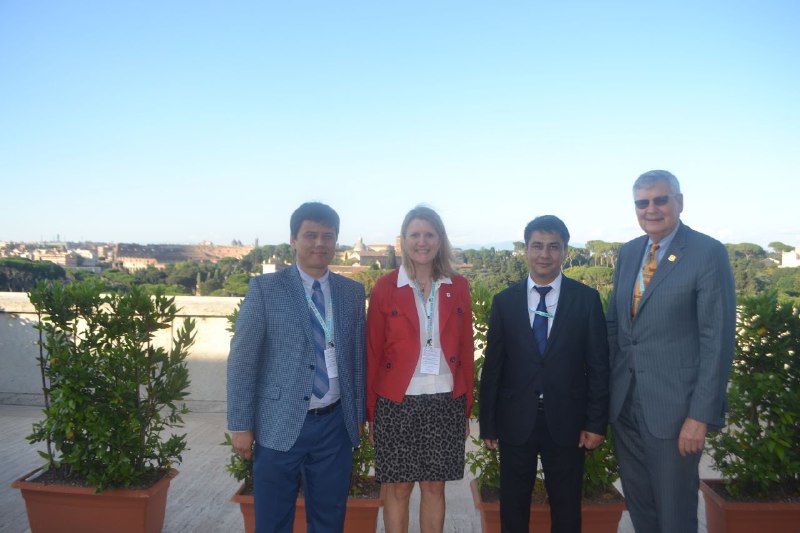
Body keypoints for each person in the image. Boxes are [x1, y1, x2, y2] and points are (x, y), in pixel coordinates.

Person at [607, 170, 735, 532]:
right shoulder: (629, 252)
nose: (651, 209)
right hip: (626, 406)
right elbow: (615, 327)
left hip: (676, 414)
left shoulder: (707, 253)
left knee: (675, 512)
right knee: (641, 506)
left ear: (679, 202)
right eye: (642, 203)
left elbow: (717, 340)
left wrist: (699, 416)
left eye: (660, 200)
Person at [227, 202, 366, 533]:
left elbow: (357, 359)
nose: (319, 243)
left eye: (328, 236)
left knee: (329, 520)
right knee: (272, 521)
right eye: (310, 235)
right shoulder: (265, 289)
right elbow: (242, 361)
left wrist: (357, 415)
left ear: (336, 241)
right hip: (279, 422)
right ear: (293, 239)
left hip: (334, 424)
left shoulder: (351, 293)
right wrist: (241, 425)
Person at [479, 215, 609, 533]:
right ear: (525, 249)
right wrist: (488, 423)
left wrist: (595, 423)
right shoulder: (504, 302)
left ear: (565, 251)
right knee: (513, 506)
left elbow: (598, 366)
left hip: (567, 421)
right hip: (515, 420)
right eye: (537, 246)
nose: (544, 254)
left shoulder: (586, 300)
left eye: (553, 246)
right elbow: (493, 367)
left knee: (566, 507)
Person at [366, 206, 474, 533]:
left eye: (429, 234)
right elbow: (373, 353)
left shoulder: (458, 286)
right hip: (396, 403)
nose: (422, 242)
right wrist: (371, 413)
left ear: (440, 240)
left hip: (445, 401)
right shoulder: (385, 287)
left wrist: (465, 409)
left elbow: (466, 351)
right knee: (398, 488)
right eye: (415, 235)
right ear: (403, 240)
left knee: (434, 486)